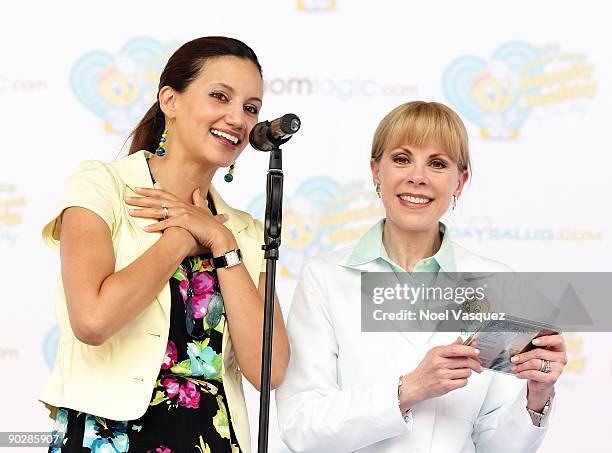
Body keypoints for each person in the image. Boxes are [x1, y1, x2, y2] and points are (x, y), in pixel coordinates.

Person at [41, 36, 290, 453]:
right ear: (170, 101)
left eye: (250, 108)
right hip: (110, 437)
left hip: (211, 439)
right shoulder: (103, 186)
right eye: (219, 96)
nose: (237, 119)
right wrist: (181, 237)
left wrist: (222, 243)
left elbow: (269, 370)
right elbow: (93, 320)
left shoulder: (242, 230)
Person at [275, 101, 567, 452]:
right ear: (375, 172)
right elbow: (301, 426)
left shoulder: (496, 282)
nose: (418, 176)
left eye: (437, 164)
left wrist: (537, 395)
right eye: (401, 159)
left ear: (460, 182)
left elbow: (497, 445)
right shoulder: (324, 277)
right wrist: (409, 389)